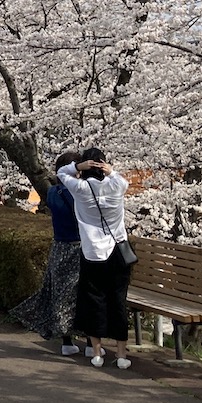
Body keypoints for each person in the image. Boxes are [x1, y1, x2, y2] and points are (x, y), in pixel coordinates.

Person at [60, 147, 134, 369]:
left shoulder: (80, 188)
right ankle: (121, 354)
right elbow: (122, 180)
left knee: (94, 300)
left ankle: (97, 352)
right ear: (103, 165)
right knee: (118, 301)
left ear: (86, 167)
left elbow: (62, 173)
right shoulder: (116, 186)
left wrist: (77, 167)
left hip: (92, 253)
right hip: (117, 254)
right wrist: (110, 171)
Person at [10, 153, 84, 356]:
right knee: (80, 293)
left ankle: (66, 340)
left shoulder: (52, 193)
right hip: (79, 248)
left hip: (59, 247)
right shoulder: (76, 194)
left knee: (60, 293)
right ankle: (88, 340)